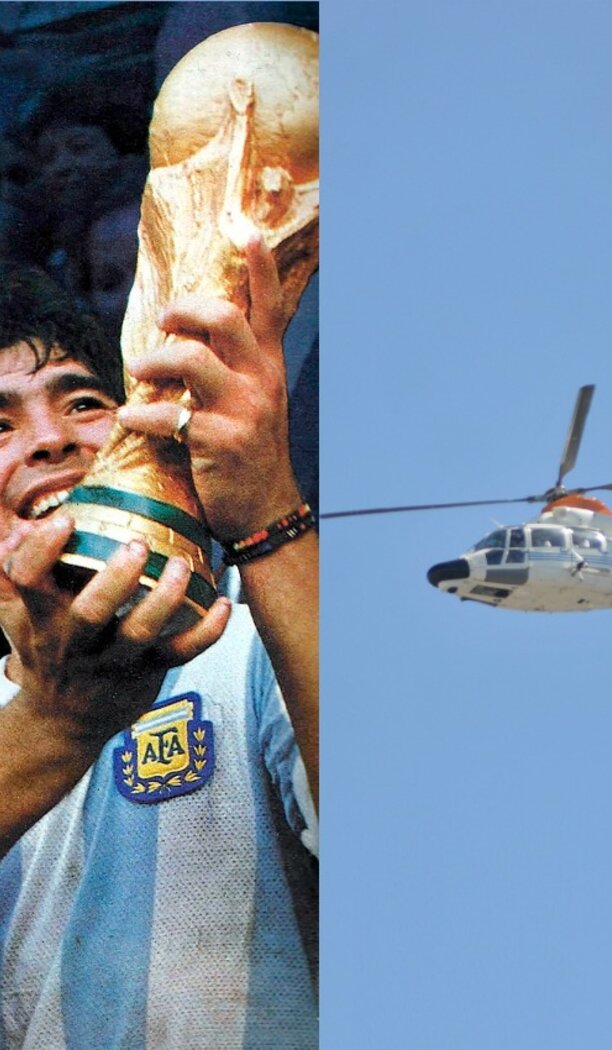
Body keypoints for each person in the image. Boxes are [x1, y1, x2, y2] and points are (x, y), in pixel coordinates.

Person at [0, 235, 317, 1047]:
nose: (53, 440)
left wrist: (270, 514)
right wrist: (56, 725)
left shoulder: (253, 642)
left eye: (82, 403)